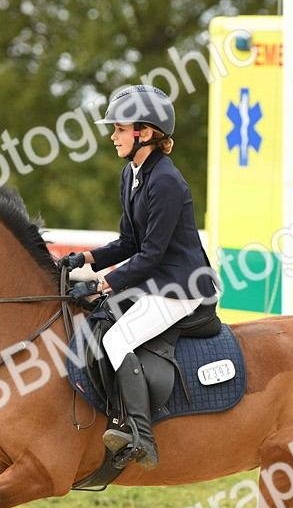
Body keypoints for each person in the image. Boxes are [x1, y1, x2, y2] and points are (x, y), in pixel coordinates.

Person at [57, 84, 219, 470]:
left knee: (116, 339)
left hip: (181, 288)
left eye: (119, 128)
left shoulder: (165, 181)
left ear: (144, 132)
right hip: (155, 282)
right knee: (97, 320)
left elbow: (150, 256)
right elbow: (130, 241)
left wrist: (99, 284)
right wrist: (88, 257)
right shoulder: (132, 174)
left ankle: (140, 436)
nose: (112, 136)